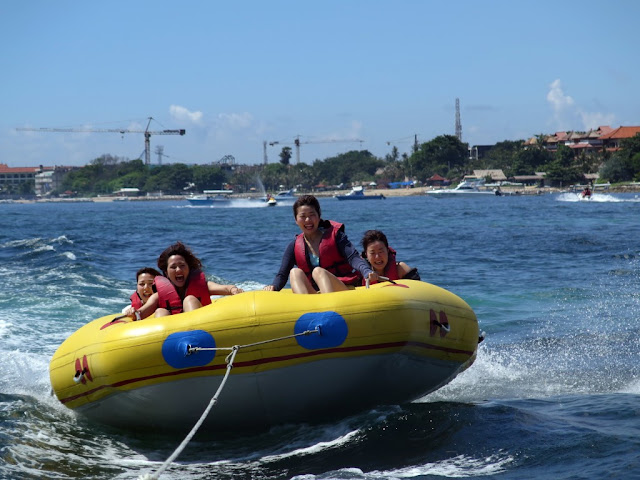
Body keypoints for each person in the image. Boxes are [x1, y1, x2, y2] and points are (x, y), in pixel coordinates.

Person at [263, 195, 376, 294]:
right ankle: (307, 311)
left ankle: (331, 311)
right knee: (294, 272)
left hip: (343, 289)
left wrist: (367, 271)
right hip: (316, 294)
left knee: (318, 271)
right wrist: (273, 287)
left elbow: (353, 257)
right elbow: (282, 275)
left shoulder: (336, 236)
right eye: (303, 216)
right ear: (296, 220)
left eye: (312, 215)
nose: (308, 220)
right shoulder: (293, 246)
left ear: (319, 215)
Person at [129, 242, 243, 320]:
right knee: (160, 312)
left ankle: (195, 337)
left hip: (204, 332)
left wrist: (234, 290)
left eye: (182, 265)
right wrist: (133, 313)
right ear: (166, 272)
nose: (178, 270)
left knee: (190, 300)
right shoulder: (158, 296)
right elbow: (141, 313)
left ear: (189, 268)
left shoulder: (202, 285)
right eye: (173, 267)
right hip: (173, 340)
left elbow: (226, 288)